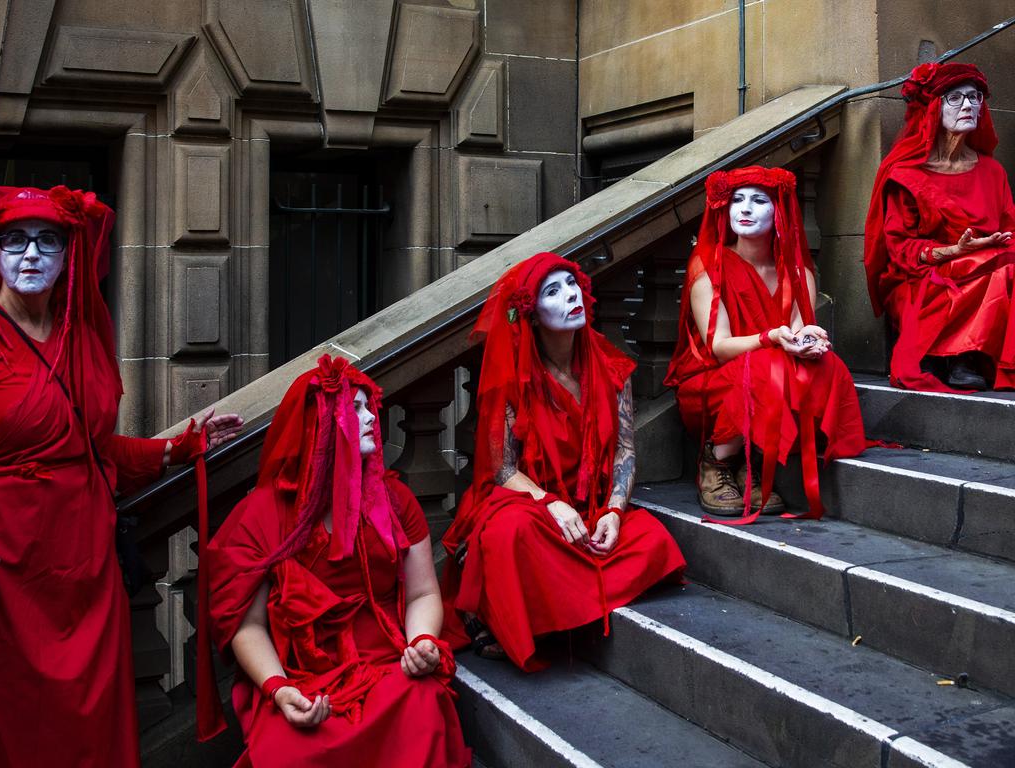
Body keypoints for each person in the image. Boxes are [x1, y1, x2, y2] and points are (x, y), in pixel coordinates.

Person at [0, 185, 242, 767]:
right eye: (14, 240)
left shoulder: (80, 336)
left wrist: (178, 450)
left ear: (68, 256)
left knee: (93, 717)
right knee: (17, 721)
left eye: (47, 241)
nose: (31, 255)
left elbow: (90, 446)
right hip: (9, 567)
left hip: (84, 561)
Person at [205, 354, 470, 768]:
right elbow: (249, 626)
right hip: (301, 672)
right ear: (319, 425)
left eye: (369, 406)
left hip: (386, 661)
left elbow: (422, 592)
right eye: (356, 408)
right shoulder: (260, 516)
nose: (371, 419)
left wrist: (421, 643)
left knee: (423, 707)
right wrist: (278, 688)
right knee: (289, 748)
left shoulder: (397, 501)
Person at [440, 252, 686, 671]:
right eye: (553, 291)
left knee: (651, 539)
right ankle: (524, 606)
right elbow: (502, 471)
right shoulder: (514, 379)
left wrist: (612, 511)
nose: (570, 295)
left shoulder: (613, 371)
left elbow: (626, 452)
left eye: (573, 285)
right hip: (531, 507)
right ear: (532, 315)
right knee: (511, 531)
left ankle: (552, 604)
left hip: (589, 511)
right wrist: (548, 503)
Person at [665, 167, 865, 523]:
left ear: (779, 212)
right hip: (714, 382)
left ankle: (752, 460)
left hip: (771, 374)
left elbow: (799, 330)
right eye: (737, 200)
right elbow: (719, 347)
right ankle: (718, 459)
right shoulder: (708, 265)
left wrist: (809, 342)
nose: (745, 209)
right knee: (769, 364)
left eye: (759, 201)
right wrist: (770, 338)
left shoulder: (799, 270)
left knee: (826, 363)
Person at [864, 61, 1015, 391]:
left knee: (1006, 265)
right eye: (955, 98)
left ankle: (973, 354)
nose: (968, 105)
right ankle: (958, 355)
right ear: (933, 108)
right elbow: (899, 250)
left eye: (975, 97)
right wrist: (955, 250)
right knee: (996, 271)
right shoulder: (907, 174)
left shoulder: (992, 172)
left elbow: (1009, 229)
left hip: (987, 263)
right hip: (923, 274)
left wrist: (995, 243)